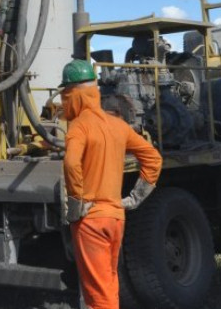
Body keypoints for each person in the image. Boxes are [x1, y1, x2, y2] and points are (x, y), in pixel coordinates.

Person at [60, 59, 162, 309]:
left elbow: (72, 164)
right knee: (108, 282)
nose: (63, 102)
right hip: (116, 217)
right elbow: (153, 158)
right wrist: (135, 198)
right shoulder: (118, 125)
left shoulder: (79, 127)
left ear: (74, 95)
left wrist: (76, 203)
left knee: (97, 293)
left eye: (65, 95)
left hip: (91, 220)